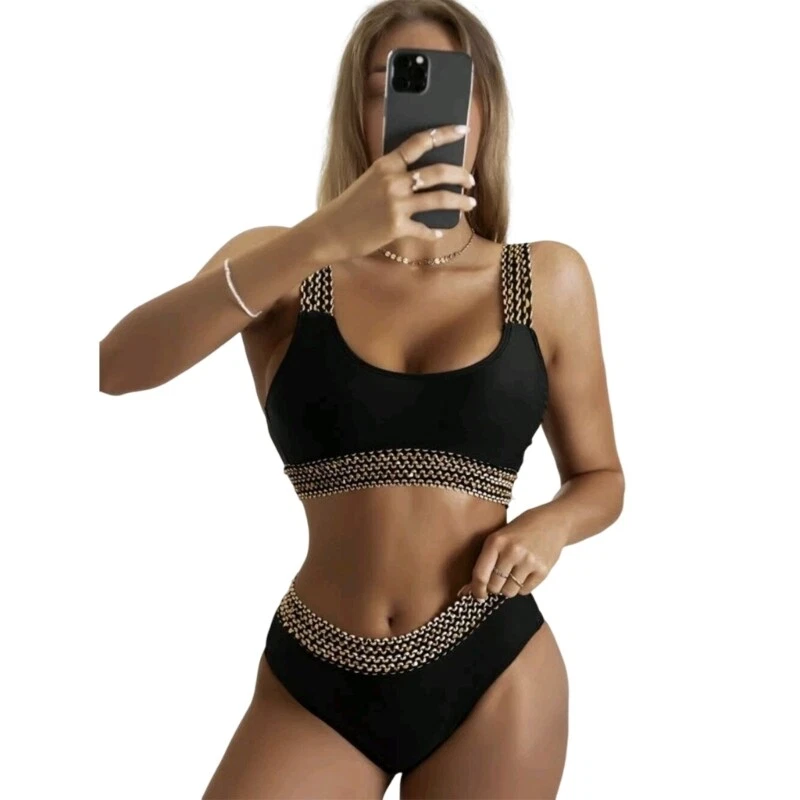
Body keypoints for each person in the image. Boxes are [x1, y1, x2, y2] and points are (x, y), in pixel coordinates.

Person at [100, 0, 625, 797]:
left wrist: (550, 526)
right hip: (317, 673)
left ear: (486, 113)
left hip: (493, 667)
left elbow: (601, 478)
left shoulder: (543, 279)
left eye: (453, 88)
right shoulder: (285, 266)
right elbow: (115, 366)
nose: (426, 114)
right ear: (358, 112)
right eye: (393, 86)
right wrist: (321, 237)